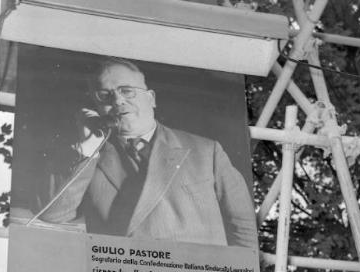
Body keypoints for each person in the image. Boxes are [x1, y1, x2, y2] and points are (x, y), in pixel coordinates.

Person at [21, 57, 258, 248]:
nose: (118, 101)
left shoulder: (207, 151)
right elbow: (52, 214)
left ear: (151, 98)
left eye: (127, 91)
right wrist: (88, 149)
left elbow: (246, 230)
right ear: (96, 107)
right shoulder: (86, 156)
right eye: (105, 95)